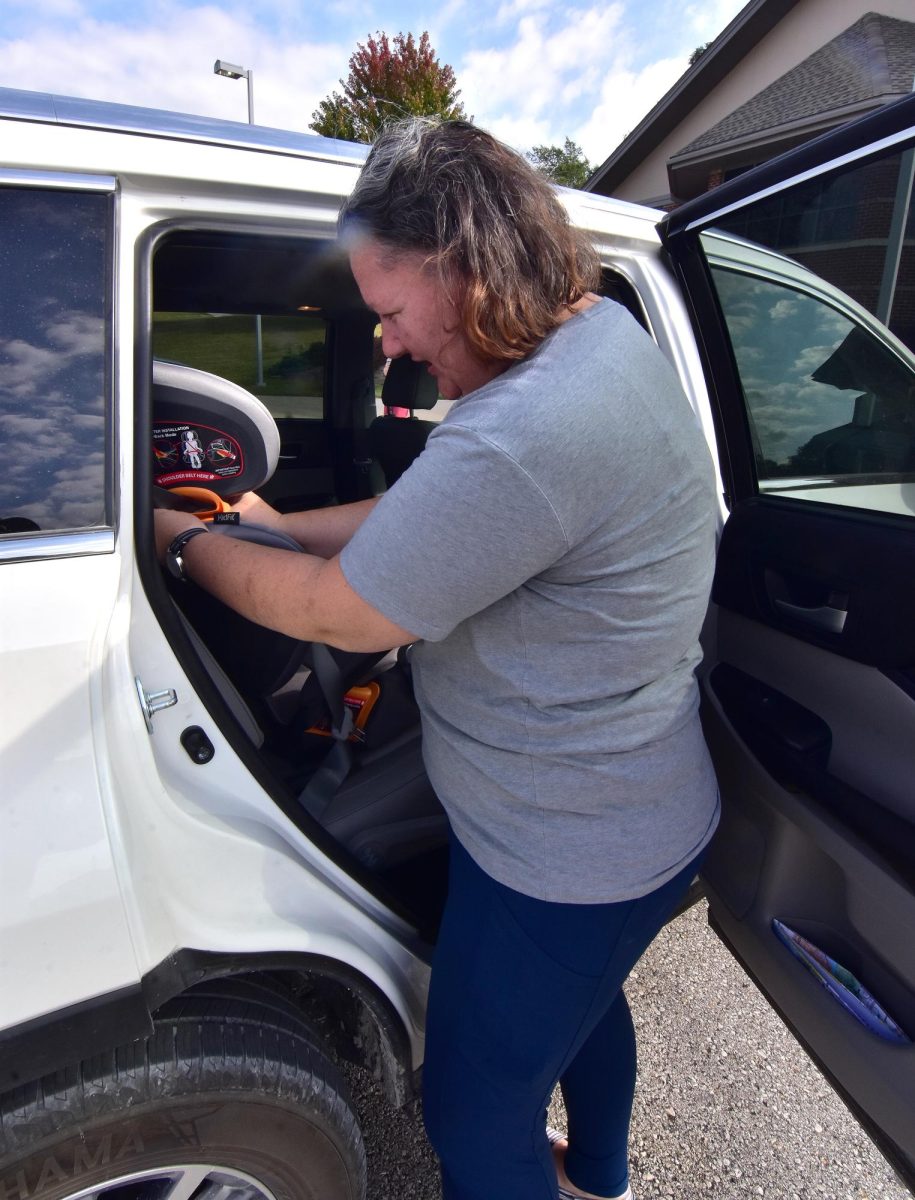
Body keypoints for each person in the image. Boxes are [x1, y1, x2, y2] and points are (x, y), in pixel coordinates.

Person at [154, 117, 720, 1200]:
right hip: (596, 817)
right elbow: (443, 505)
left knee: (472, 1111)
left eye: (389, 310)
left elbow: (338, 615)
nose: (389, 344)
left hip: (570, 855)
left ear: (468, 263)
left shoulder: (529, 425)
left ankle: (580, 1178)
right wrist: (275, 519)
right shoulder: (592, 335)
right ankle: (600, 1178)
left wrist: (188, 539)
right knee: (584, 1012)